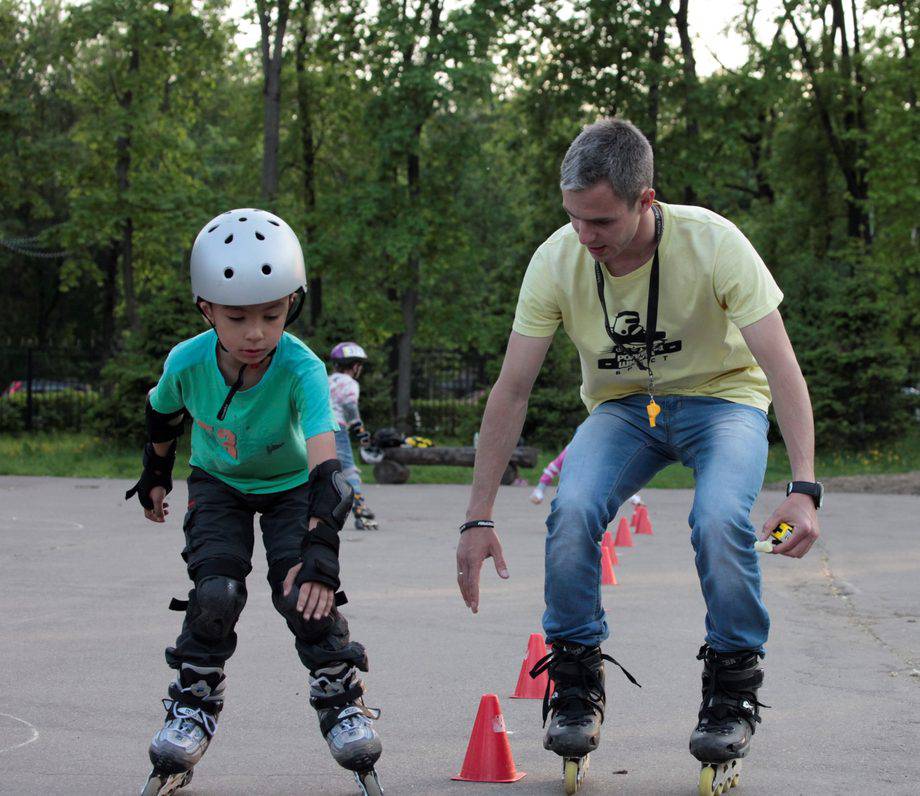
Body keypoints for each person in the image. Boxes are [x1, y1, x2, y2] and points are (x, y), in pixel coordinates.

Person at [455, 119, 823, 794]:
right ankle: (573, 683)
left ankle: (732, 689)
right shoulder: (556, 259)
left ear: (645, 200)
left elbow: (783, 369)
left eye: (600, 221)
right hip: (623, 410)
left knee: (717, 520)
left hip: (725, 402)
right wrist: (477, 516)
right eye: (572, 218)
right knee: (570, 511)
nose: (585, 237)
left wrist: (804, 485)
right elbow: (512, 390)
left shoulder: (715, 245)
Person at [126, 209, 383, 796]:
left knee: (303, 593)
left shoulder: (302, 367)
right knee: (216, 590)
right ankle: (191, 705)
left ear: (291, 302)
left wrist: (321, 551)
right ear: (205, 308)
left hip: (293, 485)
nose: (255, 334)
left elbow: (328, 468)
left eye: (271, 315)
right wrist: (156, 471)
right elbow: (163, 412)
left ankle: (341, 697)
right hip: (218, 484)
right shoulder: (186, 361)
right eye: (236, 318)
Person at [328, 342, 380, 530]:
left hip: (317, 429)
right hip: (337, 429)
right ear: (355, 366)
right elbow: (350, 407)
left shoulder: (327, 379)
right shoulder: (350, 383)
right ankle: (362, 512)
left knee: (320, 469)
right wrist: (361, 433)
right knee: (349, 470)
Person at [531, 444, 643, 509]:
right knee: (565, 500)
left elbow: (615, 477)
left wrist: (632, 497)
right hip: (570, 482)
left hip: (590, 484)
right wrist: (539, 491)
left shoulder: (601, 455)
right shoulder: (570, 451)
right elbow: (552, 469)